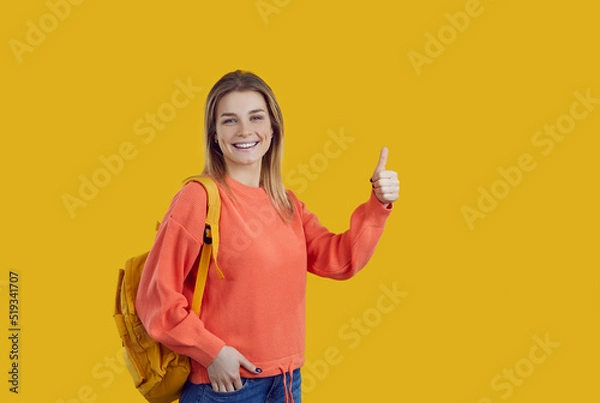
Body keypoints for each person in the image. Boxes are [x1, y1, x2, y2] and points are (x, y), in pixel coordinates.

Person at [136, 70, 400, 403]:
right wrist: (212, 353)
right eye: (229, 121)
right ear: (214, 135)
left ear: (272, 128)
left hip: (287, 383)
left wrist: (378, 204)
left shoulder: (286, 202)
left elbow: (342, 260)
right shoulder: (198, 197)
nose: (245, 131)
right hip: (225, 388)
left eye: (256, 117)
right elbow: (154, 298)